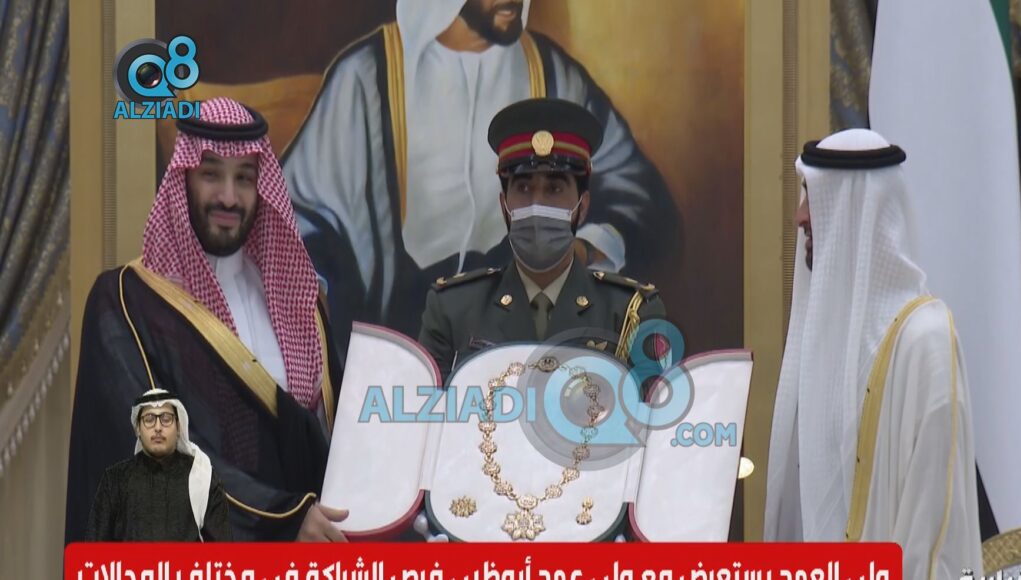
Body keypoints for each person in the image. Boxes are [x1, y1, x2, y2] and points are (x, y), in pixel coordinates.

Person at [281, 0, 681, 350]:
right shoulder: (367, 78)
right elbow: (297, 218)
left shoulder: (552, 74)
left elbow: (638, 193)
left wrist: (584, 250)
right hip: (400, 342)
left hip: (524, 337)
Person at [66, 98, 348, 544]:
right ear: (183, 178)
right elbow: (154, 450)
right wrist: (283, 519)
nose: (229, 197)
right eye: (211, 174)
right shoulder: (125, 301)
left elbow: (334, 448)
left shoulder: (301, 302)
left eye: (245, 178)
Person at [763, 129, 983, 578]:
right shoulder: (823, 340)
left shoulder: (925, 340)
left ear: (855, 208)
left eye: (813, 197)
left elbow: (931, 527)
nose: (800, 217)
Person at [417, 97, 667, 385]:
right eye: (524, 187)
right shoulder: (452, 310)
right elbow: (428, 409)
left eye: (554, 188)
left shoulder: (631, 314)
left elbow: (652, 411)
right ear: (504, 205)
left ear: (583, 207)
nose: (537, 204)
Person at [86, 388, 231, 542]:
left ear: (178, 427)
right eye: (149, 419)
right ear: (138, 429)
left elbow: (223, 551)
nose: (158, 427)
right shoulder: (114, 481)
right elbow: (93, 549)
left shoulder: (202, 479)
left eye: (166, 419)